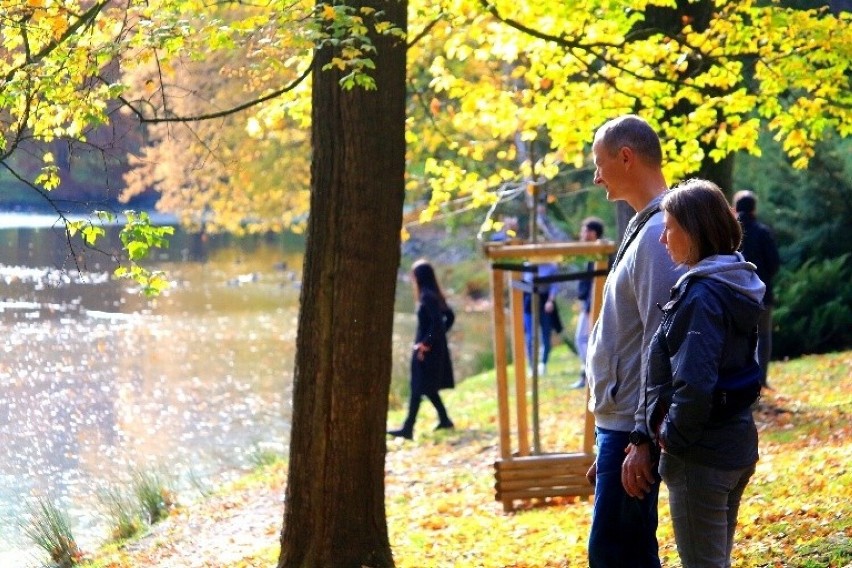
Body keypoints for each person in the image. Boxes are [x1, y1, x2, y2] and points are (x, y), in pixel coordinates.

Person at [585, 114, 684, 568]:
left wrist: (640, 438)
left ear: (626, 156)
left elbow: (659, 340)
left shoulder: (659, 232)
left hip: (632, 426)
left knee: (613, 554)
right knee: (629, 550)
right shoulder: (644, 225)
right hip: (621, 424)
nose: (596, 174)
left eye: (599, 162)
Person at [649, 179, 764, 567]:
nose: (664, 240)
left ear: (694, 230)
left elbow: (694, 382)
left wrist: (673, 438)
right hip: (735, 443)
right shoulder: (737, 282)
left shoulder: (701, 295)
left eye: (670, 228)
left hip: (702, 457)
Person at [388, 259, 455, 440]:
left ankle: (408, 428)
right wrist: (437, 338)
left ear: (419, 277)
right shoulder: (432, 295)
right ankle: (443, 419)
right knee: (424, 387)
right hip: (429, 349)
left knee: (418, 387)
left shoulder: (427, 297)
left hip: (425, 351)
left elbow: (437, 324)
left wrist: (427, 343)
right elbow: (448, 317)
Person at [732, 190, 781, 389]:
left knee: (738, 337)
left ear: (735, 208)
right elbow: (775, 263)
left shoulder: (730, 232)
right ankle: (761, 378)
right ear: (754, 209)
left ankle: (742, 379)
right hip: (762, 293)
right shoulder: (762, 232)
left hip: (734, 293)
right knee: (764, 335)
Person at [571, 216, 605, 389]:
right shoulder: (590, 252)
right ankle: (587, 375)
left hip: (593, 305)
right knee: (585, 340)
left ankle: (593, 373)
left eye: (585, 230)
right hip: (588, 303)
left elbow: (597, 282)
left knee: (582, 339)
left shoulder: (599, 253)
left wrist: (590, 306)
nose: (582, 233)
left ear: (593, 233)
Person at [522, 262, 563, 376]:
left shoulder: (551, 266)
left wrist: (550, 301)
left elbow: (554, 286)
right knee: (530, 337)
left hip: (545, 301)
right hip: (529, 300)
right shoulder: (527, 265)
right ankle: (531, 365)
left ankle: (543, 364)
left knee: (546, 334)